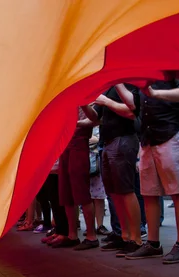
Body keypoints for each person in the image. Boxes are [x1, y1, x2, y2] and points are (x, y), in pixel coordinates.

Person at [118, 79, 179, 263]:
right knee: (149, 192)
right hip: (148, 138)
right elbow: (134, 105)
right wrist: (118, 83)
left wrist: (155, 93)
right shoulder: (141, 74)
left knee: (178, 191)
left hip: (170, 133)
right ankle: (153, 243)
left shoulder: (172, 66)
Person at [82, 84, 143, 257]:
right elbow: (95, 118)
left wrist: (106, 101)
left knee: (126, 190)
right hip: (107, 142)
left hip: (123, 139)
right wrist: (84, 105)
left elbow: (132, 112)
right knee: (114, 192)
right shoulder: (108, 87)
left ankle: (136, 239)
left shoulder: (127, 84)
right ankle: (124, 236)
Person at [56, 109, 99, 250]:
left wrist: (76, 122)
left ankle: (91, 236)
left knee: (81, 191)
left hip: (79, 143)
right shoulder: (65, 100)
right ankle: (72, 235)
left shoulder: (85, 97)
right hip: (65, 144)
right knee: (66, 191)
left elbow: (94, 119)